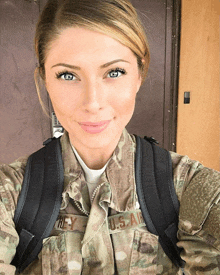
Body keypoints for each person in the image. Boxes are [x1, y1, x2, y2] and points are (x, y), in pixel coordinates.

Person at [0, 0, 219, 274]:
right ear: (45, 79)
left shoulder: (187, 186)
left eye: (114, 72)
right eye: (67, 75)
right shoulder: (10, 194)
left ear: (139, 74)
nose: (92, 102)